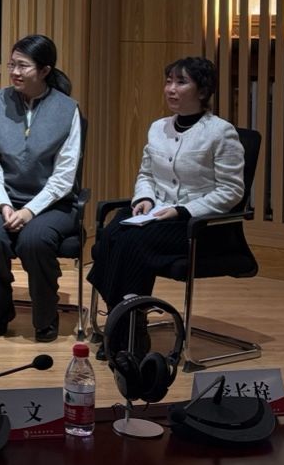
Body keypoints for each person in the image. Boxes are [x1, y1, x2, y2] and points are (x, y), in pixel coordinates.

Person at [87, 57, 245, 353]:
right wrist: (144, 198)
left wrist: (183, 210)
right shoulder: (158, 128)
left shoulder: (220, 132)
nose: (171, 89)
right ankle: (128, 322)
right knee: (111, 234)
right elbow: (146, 174)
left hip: (197, 225)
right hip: (156, 212)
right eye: (168, 81)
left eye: (181, 82)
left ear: (202, 90)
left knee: (131, 243)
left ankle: (126, 329)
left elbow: (231, 191)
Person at [0, 34, 81, 342]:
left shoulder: (67, 109)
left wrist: (30, 211)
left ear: (44, 70)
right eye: (12, 65)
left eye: (23, 66)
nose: (15, 72)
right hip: (3, 198)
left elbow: (64, 174)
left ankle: (45, 317)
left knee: (35, 241)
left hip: (52, 204)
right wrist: (5, 204)